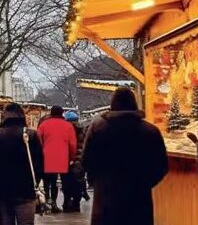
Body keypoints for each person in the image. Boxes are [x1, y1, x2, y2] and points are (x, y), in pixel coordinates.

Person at [83, 88, 168, 225]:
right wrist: (145, 183)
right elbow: (161, 166)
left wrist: (98, 182)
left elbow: (86, 161)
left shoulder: (98, 128)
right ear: (134, 104)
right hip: (139, 199)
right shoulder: (150, 131)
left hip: (105, 199)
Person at [0, 103, 44, 225]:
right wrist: (34, 181)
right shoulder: (31, 135)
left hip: (2, 190)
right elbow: (40, 162)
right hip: (26, 190)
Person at [36, 105, 77, 213]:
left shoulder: (43, 125)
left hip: (47, 157)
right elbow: (72, 144)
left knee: (48, 181)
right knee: (63, 181)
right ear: (62, 113)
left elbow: (38, 140)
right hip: (63, 157)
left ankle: (48, 201)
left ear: (51, 113)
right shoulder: (68, 126)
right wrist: (72, 157)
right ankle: (62, 202)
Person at [61, 110, 87, 213]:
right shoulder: (83, 130)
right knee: (78, 183)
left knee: (66, 183)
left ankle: (67, 203)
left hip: (66, 160)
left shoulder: (65, 130)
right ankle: (76, 203)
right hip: (79, 160)